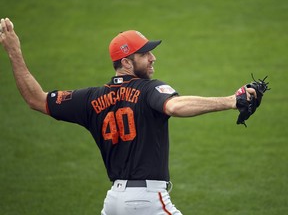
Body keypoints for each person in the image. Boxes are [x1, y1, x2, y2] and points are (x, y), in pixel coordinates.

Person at [0, 18, 257, 215]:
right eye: (145, 54)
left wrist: (13, 51)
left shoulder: (89, 99)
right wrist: (232, 101)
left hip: (113, 202)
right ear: (126, 62)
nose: (153, 57)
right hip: (147, 201)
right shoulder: (149, 89)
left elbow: (36, 99)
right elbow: (175, 106)